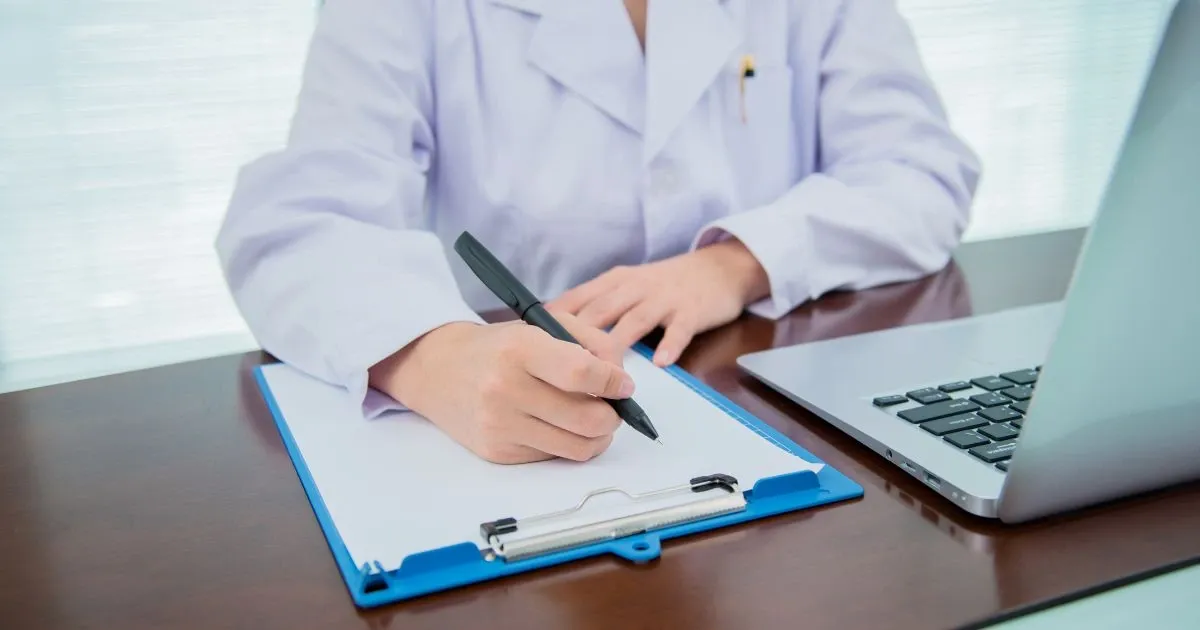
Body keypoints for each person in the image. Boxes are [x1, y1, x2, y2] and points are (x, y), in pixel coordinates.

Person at [215, 0, 981, 465]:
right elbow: (299, 225)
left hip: (760, 399)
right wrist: (435, 358)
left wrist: (737, 262)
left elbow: (921, 169)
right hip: (516, 431)